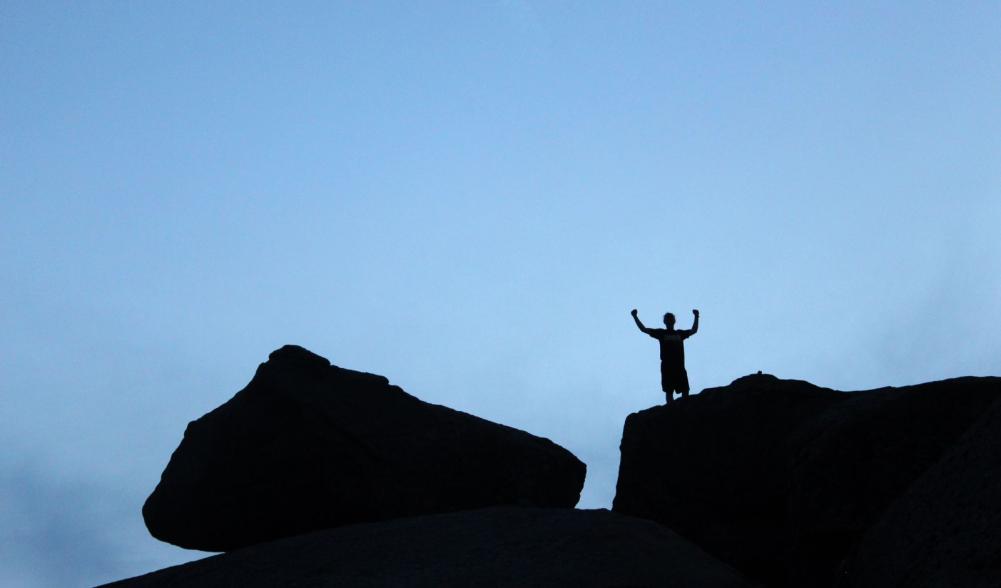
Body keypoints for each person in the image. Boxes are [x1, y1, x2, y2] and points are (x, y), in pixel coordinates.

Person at [631, 308, 699, 403]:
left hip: (679, 366)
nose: (669, 320)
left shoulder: (680, 333)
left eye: (671, 318)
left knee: (685, 390)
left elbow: (694, 330)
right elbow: (643, 329)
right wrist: (635, 317)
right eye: (668, 319)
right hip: (667, 367)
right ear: (665, 321)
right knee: (669, 391)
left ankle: (684, 410)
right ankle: (671, 411)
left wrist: (696, 317)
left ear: (674, 321)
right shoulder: (661, 333)